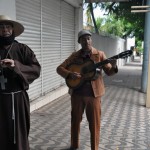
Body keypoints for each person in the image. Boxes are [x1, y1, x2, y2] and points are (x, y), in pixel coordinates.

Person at [56, 29, 118, 150]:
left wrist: (114, 65)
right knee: (75, 121)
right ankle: (74, 145)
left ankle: (94, 148)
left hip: (94, 95)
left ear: (91, 40)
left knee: (94, 123)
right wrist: (69, 74)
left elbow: (109, 72)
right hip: (77, 94)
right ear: (79, 41)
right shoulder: (74, 56)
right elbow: (59, 68)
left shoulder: (99, 55)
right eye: (83, 39)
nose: (86, 41)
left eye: (88, 38)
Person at [0, 15, 41, 150]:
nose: (4, 30)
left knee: (20, 133)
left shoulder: (23, 49)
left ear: (12, 30)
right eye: (1, 27)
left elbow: (35, 69)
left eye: (7, 27)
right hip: (0, 99)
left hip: (18, 99)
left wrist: (15, 66)